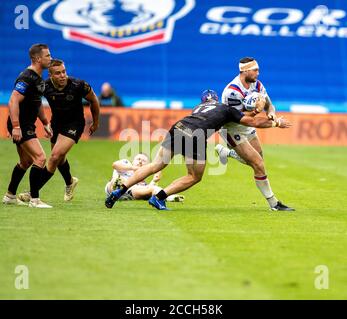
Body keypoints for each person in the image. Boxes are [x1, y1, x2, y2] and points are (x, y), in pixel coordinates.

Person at [105, 89, 291, 210]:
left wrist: (251, 111)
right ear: (216, 98)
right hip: (196, 134)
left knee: (156, 165)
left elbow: (234, 116)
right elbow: (249, 121)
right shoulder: (225, 107)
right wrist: (272, 119)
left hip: (178, 126)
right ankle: (159, 198)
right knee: (194, 176)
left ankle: (119, 191)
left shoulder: (198, 107)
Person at [216, 57, 295, 211]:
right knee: (258, 164)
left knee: (257, 161)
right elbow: (242, 119)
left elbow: (269, 104)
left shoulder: (257, 85)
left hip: (247, 126)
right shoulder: (233, 91)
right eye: (255, 70)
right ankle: (274, 204)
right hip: (232, 129)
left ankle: (226, 153)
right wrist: (260, 113)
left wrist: (271, 114)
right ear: (244, 70)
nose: (258, 73)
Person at [18, 59, 100, 204]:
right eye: (58, 73)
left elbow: (94, 100)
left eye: (64, 72)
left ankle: (32, 193)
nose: (62, 75)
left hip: (75, 124)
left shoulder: (78, 85)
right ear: (50, 75)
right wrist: (43, 123)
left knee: (54, 157)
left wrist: (96, 122)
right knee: (60, 158)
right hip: (57, 124)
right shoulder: (44, 86)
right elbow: (34, 102)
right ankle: (70, 182)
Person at [2, 43, 53, 208]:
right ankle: (34, 200)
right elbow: (13, 99)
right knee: (40, 158)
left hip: (26, 124)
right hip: (22, 125)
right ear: (38, 59)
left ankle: (10, 196)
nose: (50, 58)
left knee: (25, 161)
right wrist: (16, 126)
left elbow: (37, 103)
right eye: (47, 56)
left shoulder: (38, 79)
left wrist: (45, 123)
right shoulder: (27, 77)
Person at [105, 153, 184, 202]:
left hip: (130, 192)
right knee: (117, 180)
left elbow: (148, 188)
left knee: (151, 189)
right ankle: (118, 184)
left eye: (143, 161)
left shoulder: (142, 180)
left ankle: (168, 197)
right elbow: (115, 165)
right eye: (138, 159)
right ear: (133, 160)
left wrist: (154, 180)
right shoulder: (126, 163)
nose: (140, 162)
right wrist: (133, 168)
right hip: (112, 189)